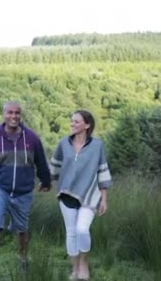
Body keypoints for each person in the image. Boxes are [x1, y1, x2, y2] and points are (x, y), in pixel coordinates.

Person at [0, 101, 52, 281]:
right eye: (10, 113)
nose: (13, 116)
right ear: (3, 114)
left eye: (17, 113)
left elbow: (41, 162)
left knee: (22, 229)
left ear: (20, 115)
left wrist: (46, 181)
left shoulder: (31, 139)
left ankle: (22, 258)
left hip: (23, 191)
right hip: (0, 188)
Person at [49, 110, 112, 281]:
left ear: (87, 125)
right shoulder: (64, 143)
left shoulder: (97, 145)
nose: (73, 124)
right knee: (71, 233)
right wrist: (47, 182)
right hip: (66, 193)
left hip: (90, 195)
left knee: (82, 230)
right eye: (72, 121)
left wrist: (104, 199)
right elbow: (55, 165)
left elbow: (102, 171)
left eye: (77, 122)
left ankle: (84, 262)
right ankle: (75, 268)